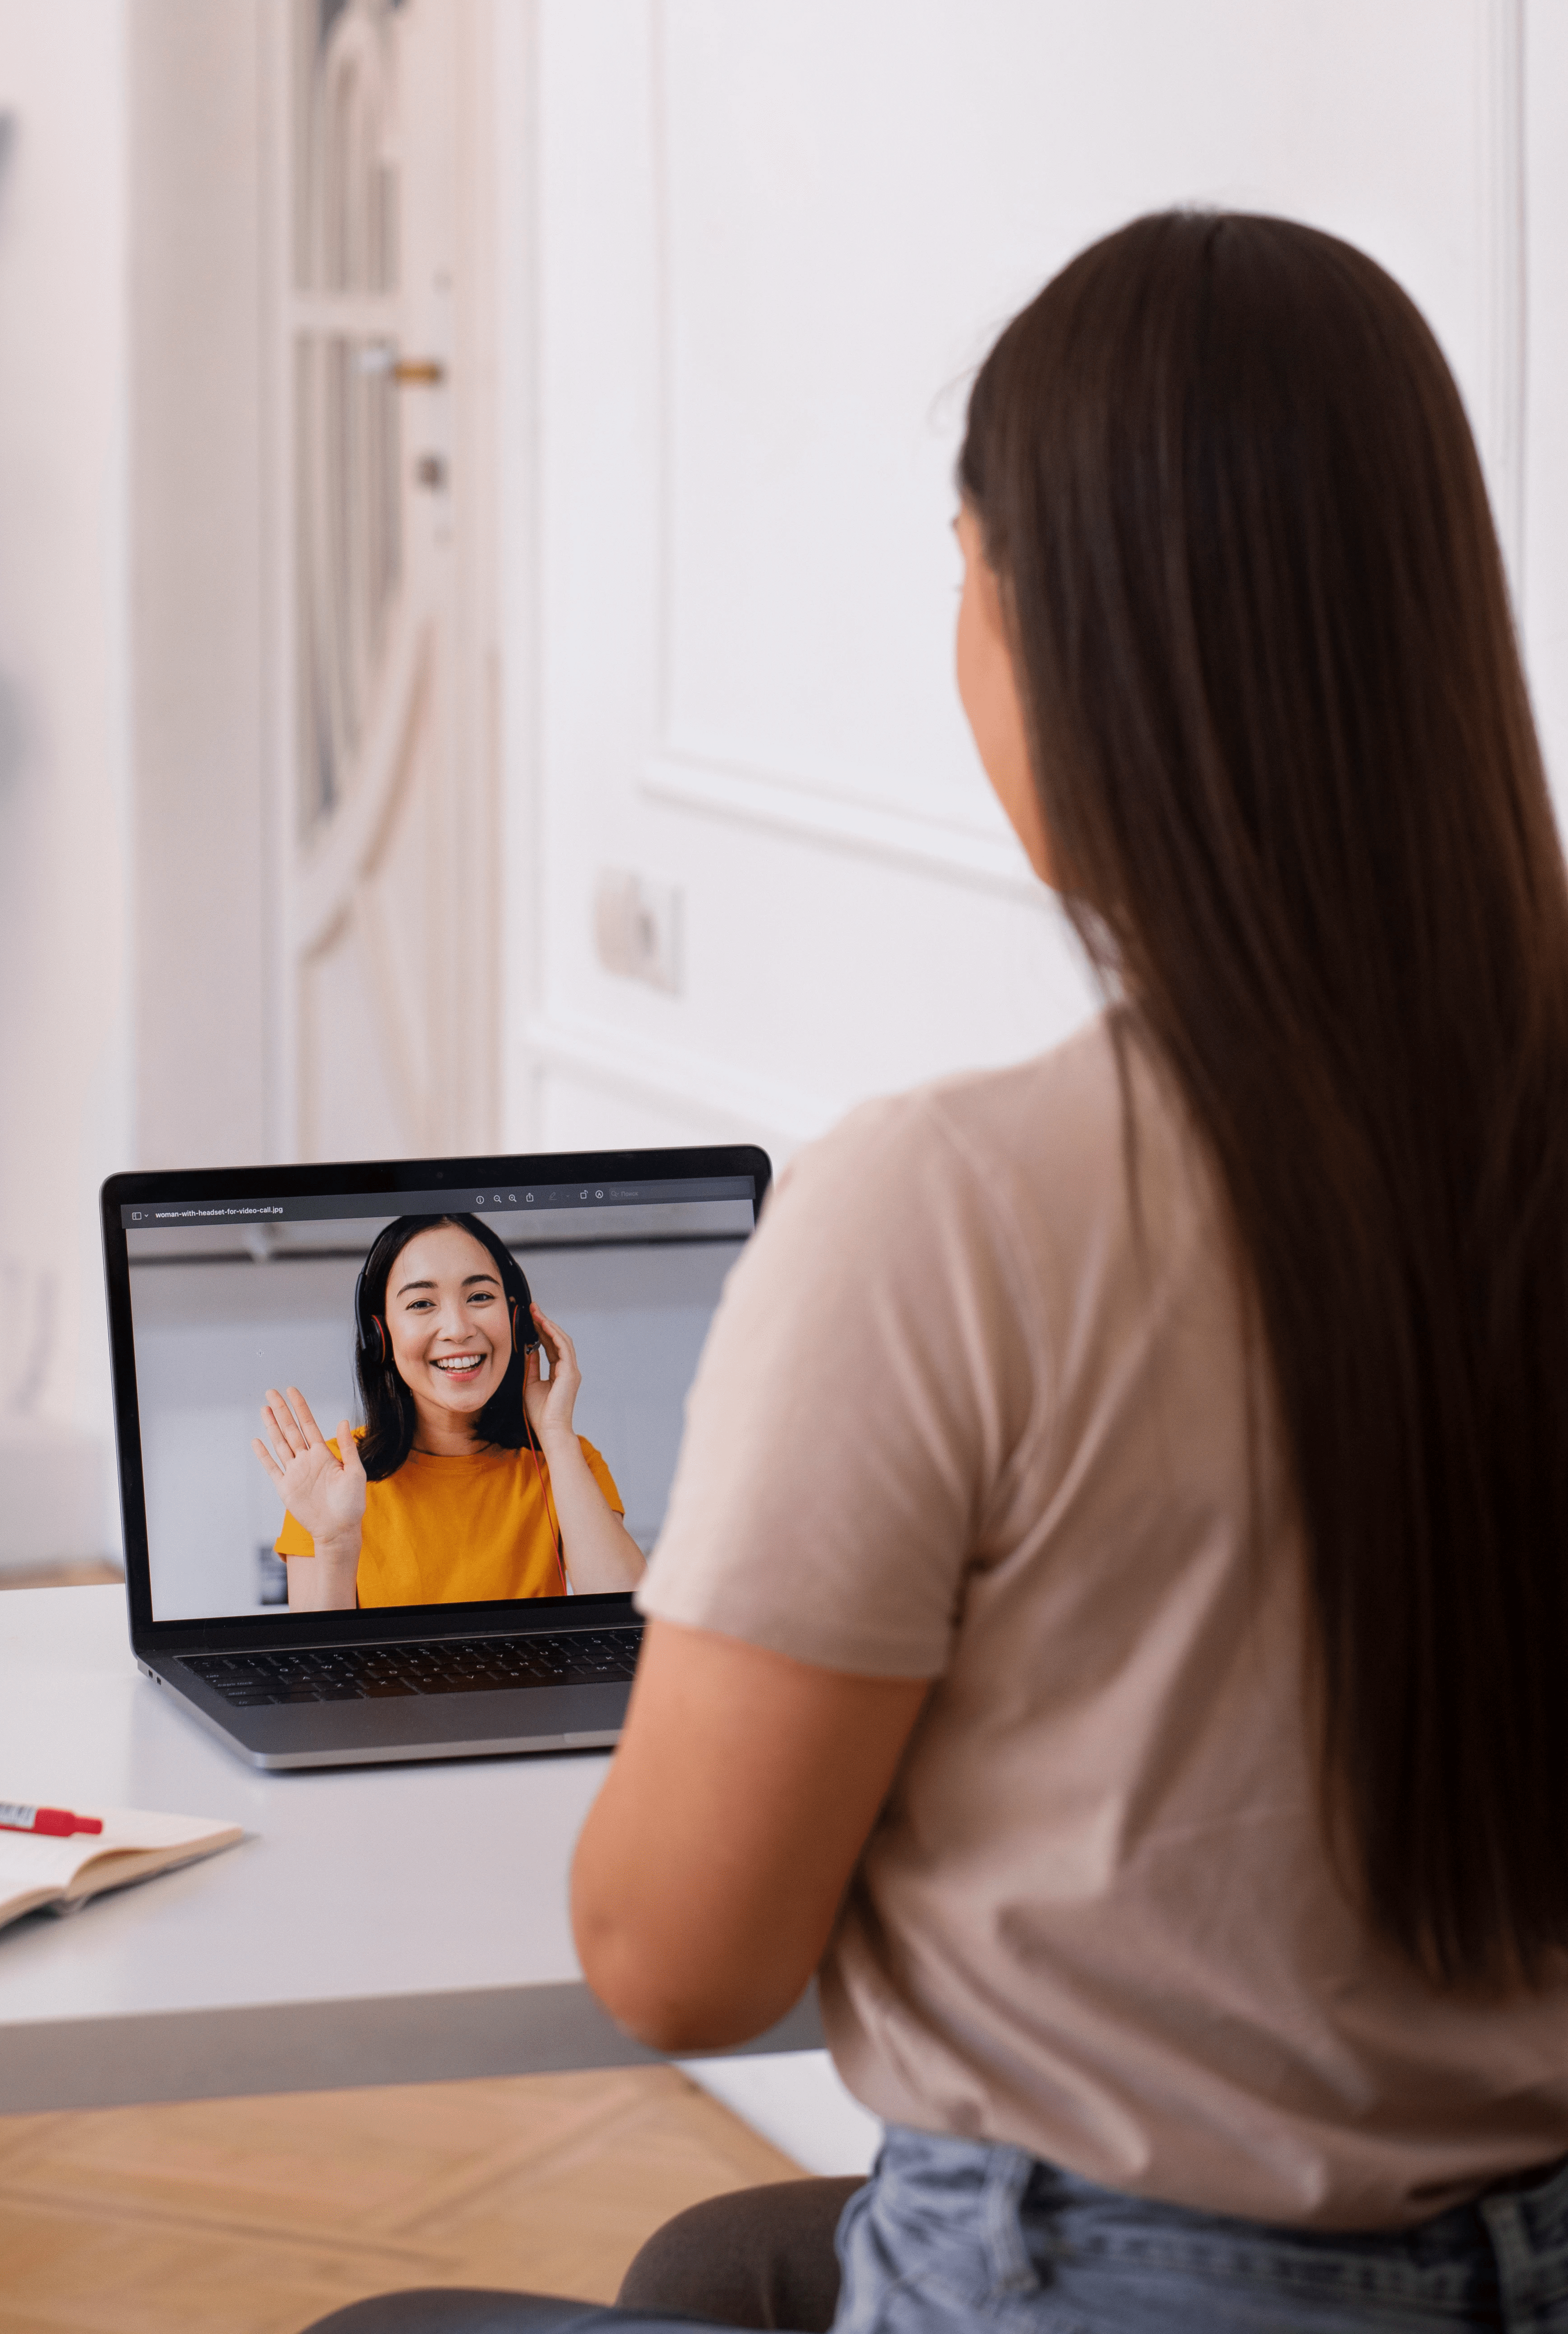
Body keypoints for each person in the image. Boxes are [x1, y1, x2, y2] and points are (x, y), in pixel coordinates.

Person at [302, 210, 1568, 2331]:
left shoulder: (951, 1206)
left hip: (1133, 2287)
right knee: (727, 2256)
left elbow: (680, 1959)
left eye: (960, 583)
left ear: (1034, 627)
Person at [255, 1212, 645, 1609]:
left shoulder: (564, 1460)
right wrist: (335, 1546)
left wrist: (555, 1433)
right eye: (422, 1303)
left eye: (480, 1297)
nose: (458, 1329)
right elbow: (321, 1673)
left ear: (517, 1321)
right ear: (380, 1335)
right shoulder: (331, 1476)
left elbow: (630, 1629)